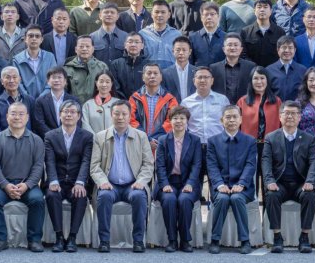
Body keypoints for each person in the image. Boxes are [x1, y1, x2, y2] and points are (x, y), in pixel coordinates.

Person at [90, 100, 154, 253]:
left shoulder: (141, 136)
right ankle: (104, 241)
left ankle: (138, 240)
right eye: (116, 114)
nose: (120, 117)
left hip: (133, 185)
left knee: (139, 197)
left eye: (124, 114)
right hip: (110, 185)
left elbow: (148, 164)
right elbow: (95, 166)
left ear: (130, 115)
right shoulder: (100, 137)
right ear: (111, 115)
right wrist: (102, 181)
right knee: (104, 197)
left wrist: (141, 181)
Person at [0, 102, 46, 253]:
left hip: (27, 185)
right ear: (7, 117)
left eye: (21, 114)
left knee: (38, 200)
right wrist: (5, 185)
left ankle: (34, 240)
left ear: (27, 117)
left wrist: (27, 185)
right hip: (2, 185)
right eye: (13, 114)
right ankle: (0, 240)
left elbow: (38, 167)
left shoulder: (37, 140)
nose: (17, 117)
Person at [262, 101, 315, 253]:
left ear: (299, 117)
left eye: (294, 113)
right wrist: (269, 181)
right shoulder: (271, 138)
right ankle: (277, 237)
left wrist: (310, 181)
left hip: (300, 183)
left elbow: (314, 162)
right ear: (280, 117)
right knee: (271, 195)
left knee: (309, 195)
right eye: (286, 113)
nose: (290, 116)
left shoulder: (308, 138)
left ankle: (304, 237)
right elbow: (266, 162)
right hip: (279, 183)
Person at [43, 100, 93, 253]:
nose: (68, 115)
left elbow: (86, 161)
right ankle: (59, 237)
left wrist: (80, 182)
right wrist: (53, 180)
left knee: (80, 195)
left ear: (79, 116)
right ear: (60, 115)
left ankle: (72, 237)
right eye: (65, 111)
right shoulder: (50, 136)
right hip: (57, 180)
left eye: (72, 112)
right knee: (52, 195)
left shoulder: (87, 136)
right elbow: (49, 161)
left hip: (76, 180)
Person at [206, 105, 257, 254]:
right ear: (222, 120)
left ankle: (245, 241)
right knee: (222, 199)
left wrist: (241, 184)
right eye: (228, 117)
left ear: (241, 120)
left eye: (235, 117)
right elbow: (212, 166)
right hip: (220, 187)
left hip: (243, 188)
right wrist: (219, 184)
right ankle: (215, 240)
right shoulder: (213, 141)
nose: (232, 120)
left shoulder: (249, 141)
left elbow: (250, 165)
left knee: (236, 198)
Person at [154, 106, 202, 252]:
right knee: (169, 199)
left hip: (187, 182)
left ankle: (185, 240)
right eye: (175, 118)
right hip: (168, 182)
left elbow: (197, 165)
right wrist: (164, 184)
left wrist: (190, 183)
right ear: (170, 121)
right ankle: (172, 240)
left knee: (184, 200)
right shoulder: (163, 140)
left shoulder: (195, 140)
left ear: (187, 121)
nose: (179, 121)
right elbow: (160, 166)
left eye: (182, 118)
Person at [238, 66, 282, 193]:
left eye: (262, 78)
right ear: (250, 81)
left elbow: (281, 125)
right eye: (255, 78)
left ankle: (268, 206)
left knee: (269, 182)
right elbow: (237, 126)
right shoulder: (242, 101)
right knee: (250, 182)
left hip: (270, 146)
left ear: (267, 80)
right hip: (249, 146)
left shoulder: (277, 101)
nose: (259, 82)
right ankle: (253, 206)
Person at [129, 63, 178, 150]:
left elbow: (171, 121)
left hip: (162, 144)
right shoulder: (134, 98)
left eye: (155, 73)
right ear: (143, 77)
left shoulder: (170, 99)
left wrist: (155, 139)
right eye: (149, 73)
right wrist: (146, 140)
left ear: (161, 77)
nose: (152, 76)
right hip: (139, 144)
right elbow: (131, 120)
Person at [183, 67, 232, 144]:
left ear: (212, 80)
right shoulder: (186, 102)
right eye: (200, 77)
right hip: (195, 145)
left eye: (206, 77)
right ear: (194, 81)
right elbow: (183, 126)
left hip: (218, 144)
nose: (203, 80)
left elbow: (229, 123)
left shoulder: (223, 100)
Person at [0, 66, 36, 136]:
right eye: (7, 77)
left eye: (14, 77)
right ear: (2, 81)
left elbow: (35, 127)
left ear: (19, 79)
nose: (11, 80)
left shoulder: (29, 100)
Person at [32, 67, 79, 138]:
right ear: (48, 81)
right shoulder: (40, 101)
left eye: (59, 77)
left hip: (70, 138)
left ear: (65, 81)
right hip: (48, 139)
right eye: (53, 77)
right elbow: (39, 123)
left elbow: (78, 121)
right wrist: (53, 137)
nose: (56, 80)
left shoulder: (74, 100)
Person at [12, 25, 57, 99]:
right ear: (25, 39)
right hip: (23, 100)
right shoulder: (17, 59)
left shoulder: (50, 57)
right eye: (30, 36)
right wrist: (27, 98)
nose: (34, 38)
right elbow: (18, 82)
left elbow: (53, 78)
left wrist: (41, 98)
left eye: (37, 36)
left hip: (46, 99)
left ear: (41, 39)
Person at [240, 0, 286, 67]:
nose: (262, 10)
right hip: (251, 71)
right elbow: (243, 55)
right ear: (254, 11)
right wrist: (255, 68)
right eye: (259, 7)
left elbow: (283, 54)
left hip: (274, 71)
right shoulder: (245, 32)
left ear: (271, 11)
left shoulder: (280, 32)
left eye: (265, 7)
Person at [209, 34, 255, 103]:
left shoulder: (250, 67)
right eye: (229, 45)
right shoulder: (214, 68)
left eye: (236, 45)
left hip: (245, 105)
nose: (232, 48)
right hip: (220, 105)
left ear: (241, 49)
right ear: (224, 49)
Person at [65, 35, 110, 104]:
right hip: (75, 107)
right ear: (76, 49)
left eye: (87, 46)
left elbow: (108, 91)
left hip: (97, 107)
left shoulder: (102, 67)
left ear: (93, 49)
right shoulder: (67, 68)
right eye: (81, 46)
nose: (84, 49)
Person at [140, 0, 182, 69]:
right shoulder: (143, 34)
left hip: (171, 73)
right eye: (156, 12)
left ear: (169, 15)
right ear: (151, 14)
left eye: (163, 12)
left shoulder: (177, 35)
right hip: (149, 73)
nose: (159, 15)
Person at [82, 72, 123, 136]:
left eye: (107, 82)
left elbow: (122, 124)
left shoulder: (119, 104)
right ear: (96, 83)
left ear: (111, 84)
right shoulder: (87, 105)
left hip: (114, 140)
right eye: (101, 81)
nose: (104, 85)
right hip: (93, 141)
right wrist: (96, 139)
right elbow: (85, 126)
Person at [267, 36, 307, 102]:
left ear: (295, 50)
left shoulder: (303, 70)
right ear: (278, 49)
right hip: (276, 107)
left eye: (290, 48)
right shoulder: (269, 71)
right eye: (284, 47)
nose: (287, 50)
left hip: (297, 107)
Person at [109, 33, 148, 99]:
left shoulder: (148, 65)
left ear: (142, 46)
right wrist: (124, 102)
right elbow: (115, 88)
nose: (133, 45)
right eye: (130, 42)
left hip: (143, 102)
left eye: (137, 42)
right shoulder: (116, 64)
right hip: (121, 102)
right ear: (125, 45)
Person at [188, 1, 225, 67]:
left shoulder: (226, 37)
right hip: (199, 73)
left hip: (221, 73)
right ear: (201, 18)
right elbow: (190, 63)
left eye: (212, 14)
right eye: (206, 14)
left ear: (218, 17)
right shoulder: (193, 38)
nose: (209, 17)